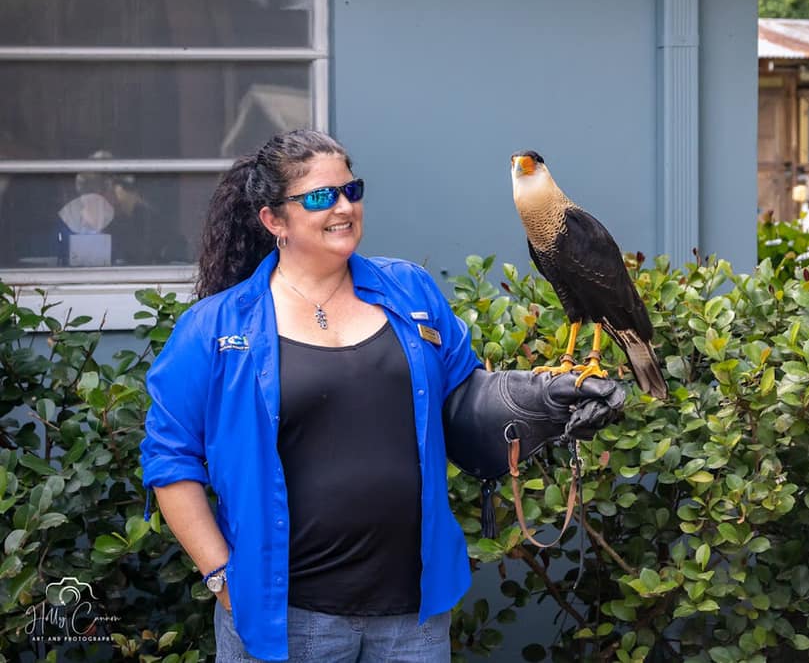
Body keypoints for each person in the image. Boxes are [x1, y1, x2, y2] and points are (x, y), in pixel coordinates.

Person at [139, 129, 626, 662]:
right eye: (322, 197)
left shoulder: (411, 292)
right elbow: (170, 459)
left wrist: (543, 401)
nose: (344, 207)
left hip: (412, 619)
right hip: (289, 618)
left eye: (353, 190)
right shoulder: (216, 326)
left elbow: (462, 400)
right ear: (274, 220)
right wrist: (219, 576)